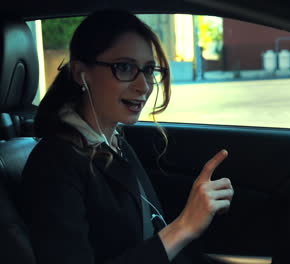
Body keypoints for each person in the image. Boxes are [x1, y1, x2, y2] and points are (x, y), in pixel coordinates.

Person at [20, 9, 234, 264]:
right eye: (124, 67)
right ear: (80, 74)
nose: (143, 85)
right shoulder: (53, 164)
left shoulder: (114, 142)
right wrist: (183, 227)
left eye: (147, 69)